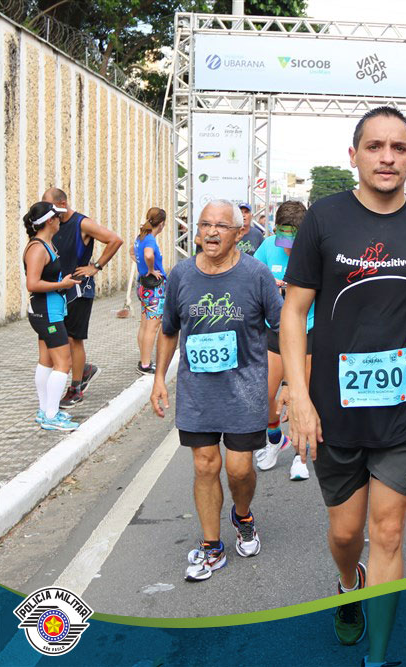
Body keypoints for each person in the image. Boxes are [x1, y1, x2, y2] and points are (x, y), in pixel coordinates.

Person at [280, 107, 406, 667]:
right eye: (374, 146)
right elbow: (293, 312)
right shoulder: (324, 218)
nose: (387, 157)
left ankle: (378, 657)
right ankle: (349, 585)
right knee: (346, 535)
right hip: (334, 411)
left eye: (398, 147)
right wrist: (299, 395)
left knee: (388, 533)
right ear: (354, 155)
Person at [150, 199, 282, 582]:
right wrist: (158, 378)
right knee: (205, 465)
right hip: (198, 393)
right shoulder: (181, 275)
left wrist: (291, 383)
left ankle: (242, 515)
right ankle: (211, 546)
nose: (211, 232)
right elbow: (169, 329)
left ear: (239, 232)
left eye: (221, 226)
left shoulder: (256, 275)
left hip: (245, 392)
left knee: (240, 470)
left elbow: (282, 327)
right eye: (204, 224)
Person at [42, 188, 123, 408]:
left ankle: (76, 388)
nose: (49, 212)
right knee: (58, 338)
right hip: (57, 290)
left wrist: (95, 266)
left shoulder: (82, 223)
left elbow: (115, 240)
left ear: (63, 203)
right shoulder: (52, 224)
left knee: (72, 339)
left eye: (51, 207)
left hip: (79, 289)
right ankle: (84, 368)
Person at [252, 200, 313, 481]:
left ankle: (301, 456)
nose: (287, 248)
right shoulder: (267, 247)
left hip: (307, 330)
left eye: (293, 242)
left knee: (299, 396)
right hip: (274, 331)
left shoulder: (313, 250)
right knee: (264, 395)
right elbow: (252, 281)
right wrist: (270, 288)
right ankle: (276, 438)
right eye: (283, 240)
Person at [22, 201, 82, 431]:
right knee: (63, 363)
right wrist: (61, 284)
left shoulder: (46, 243)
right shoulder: (37, 248)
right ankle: (51, 415)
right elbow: (32, 283)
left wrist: (62, 284)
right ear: (50, 221)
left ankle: (45, 410)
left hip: (49, 311)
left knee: (46, 361)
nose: (60, 220)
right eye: (58, 217)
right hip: (46, 312)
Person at [133, 208, 167, 375]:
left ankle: (143, 359)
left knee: (145, 325)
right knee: (152, 327)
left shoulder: (140, 237)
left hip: (143, 285)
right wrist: (151, 269)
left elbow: (132, 252)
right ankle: (145, 365)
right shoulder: (150, 240)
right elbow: (148, 255)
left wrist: (142, 267)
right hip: (154, 289)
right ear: (162, 224)